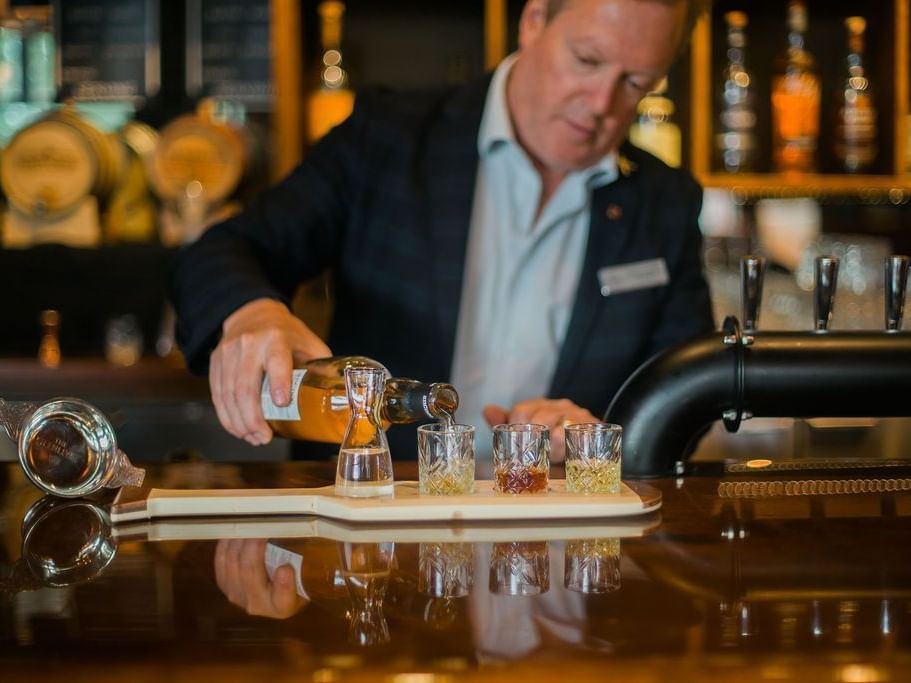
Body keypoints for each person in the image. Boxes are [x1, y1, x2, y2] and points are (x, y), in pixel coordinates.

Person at [170, 0, 714, 461]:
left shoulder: (663, 202)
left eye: (636, 82)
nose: (602, 104)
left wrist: (593, 439)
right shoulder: (387, 139)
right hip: (372, 534)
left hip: (557, 546)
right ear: (534, 21)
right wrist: (252, 313)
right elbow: (225, 249)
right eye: (586, 60)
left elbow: (688, 397)